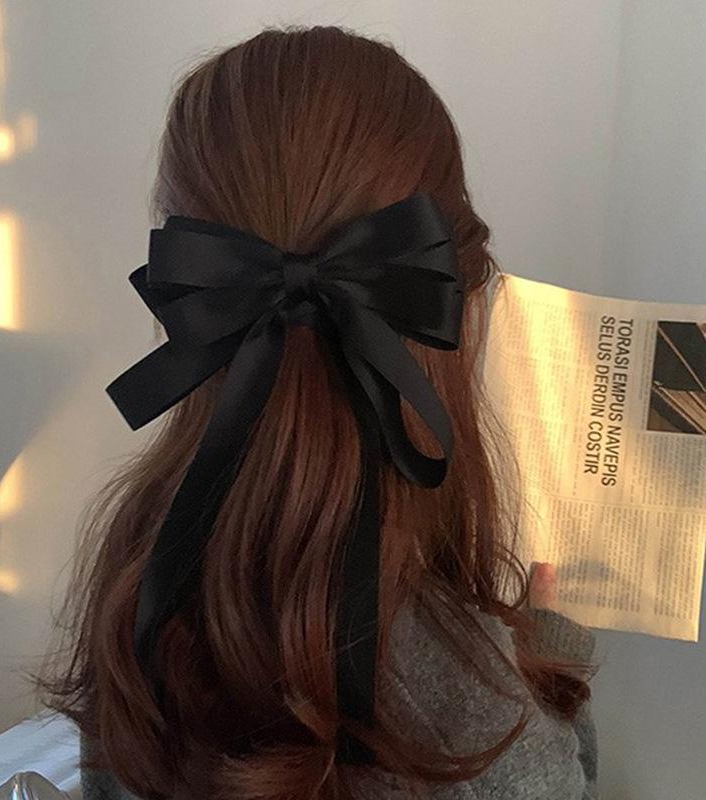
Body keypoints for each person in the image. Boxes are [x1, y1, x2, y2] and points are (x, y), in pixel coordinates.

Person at [32, 24, 597, 800]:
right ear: (456, 305)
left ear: (189, 286)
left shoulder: (140, 597)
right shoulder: (481, 719)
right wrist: (554, 661)